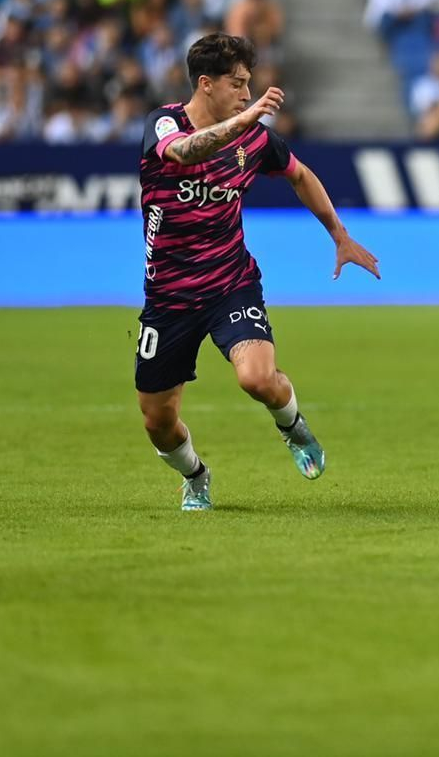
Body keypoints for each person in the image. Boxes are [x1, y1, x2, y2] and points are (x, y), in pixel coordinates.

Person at [135, 34, 379, 510]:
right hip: (168, 297)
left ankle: (293, 427)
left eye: (249, 85)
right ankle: (196, 475)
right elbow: (184, 153)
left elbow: (300, 175)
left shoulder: (256, 140)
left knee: (257, 380)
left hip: (231, 283)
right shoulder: (163, 123)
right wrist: (248, 119)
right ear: (206, 85)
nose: (247, 95)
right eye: (237, 84)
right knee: (157, 422)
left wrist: (339, 235)